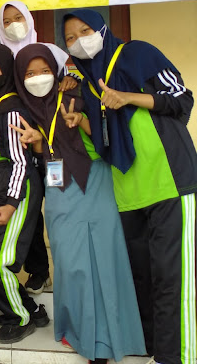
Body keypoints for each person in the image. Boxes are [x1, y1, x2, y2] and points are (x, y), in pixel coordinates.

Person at [63, 9, 197, 364]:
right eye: (70, 38)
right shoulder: (90, 85)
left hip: (169, 183)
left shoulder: (138, 53)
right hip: (128, 193)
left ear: (102, 30)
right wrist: (82, 122)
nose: (79, 41)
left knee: (172, 278)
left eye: (85, 31)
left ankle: (177, 356)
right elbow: (105, 145)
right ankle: (152, 346)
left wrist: (128, 97)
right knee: (143, 277)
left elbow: (182, 100)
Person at [11, 44, 146, 364]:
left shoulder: (77, 94)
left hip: (93, 183)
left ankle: (106, 339)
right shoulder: (30, 107)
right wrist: (39, 142)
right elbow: (51, 149)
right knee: (69, 263)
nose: (38, 78)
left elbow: (107, 140)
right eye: (30, 73)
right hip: (59, 190)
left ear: (57, 71)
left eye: (45, 71)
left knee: (103, 260)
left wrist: (82, 118)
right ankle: (77, 328)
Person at [0, 0, 75, 294]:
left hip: (54, 143)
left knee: (60, 204)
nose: (13, 25)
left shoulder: (50, 51)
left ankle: (69, 269)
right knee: (30, 209)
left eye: (18, 17)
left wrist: (71, 80)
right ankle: (39, 270)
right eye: (6, 21)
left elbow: (70, 79)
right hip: (19, 142)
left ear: (29, 19)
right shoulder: (3, 57)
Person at [0, 44, 49, 344]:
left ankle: (21, 318)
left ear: (6, 72)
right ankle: (31, 309)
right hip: (0, 187)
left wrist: (11, 203)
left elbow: (20, 161)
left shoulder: (11, 109)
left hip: (17, 190)